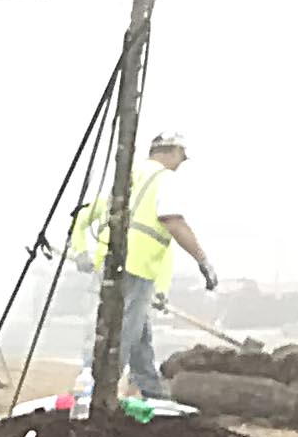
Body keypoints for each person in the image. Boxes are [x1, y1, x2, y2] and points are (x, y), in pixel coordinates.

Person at [78, 134, 221, 405]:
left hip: (112, 262)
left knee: (136, 332)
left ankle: (152, 391)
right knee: (123, 332)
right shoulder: (164, 179)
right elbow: (172, 220)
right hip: (137, 264)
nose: (180, 164)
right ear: (172, 151)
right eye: (181, 157)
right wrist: (202, 260)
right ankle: (96, 395)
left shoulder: (132, 173)